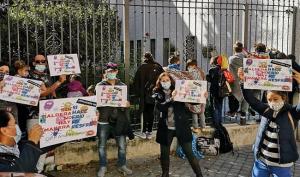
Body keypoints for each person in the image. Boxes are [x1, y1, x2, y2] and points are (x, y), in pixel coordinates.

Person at [238, 68, 300, 177]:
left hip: (282, 166)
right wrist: (243, 81)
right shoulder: (266, 110)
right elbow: (251, 100)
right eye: (269, 100)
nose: (272, 103)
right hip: (262, 162)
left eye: (275, 99)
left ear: (284, 98)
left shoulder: (292, 112)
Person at [153, 72, 203, 177]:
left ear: (171, 81)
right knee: (164, 154)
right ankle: (165, 174)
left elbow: (192, 100)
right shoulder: (157, 92)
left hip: (182, 126)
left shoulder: (179, 89)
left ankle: (199, 175)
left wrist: (202, 95)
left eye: (167, 80)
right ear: (160, 82)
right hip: (166, 128)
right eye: (163, 81)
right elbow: (161, 107)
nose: (165, 82)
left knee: (190, 153)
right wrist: (172, 98)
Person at [97, 62, 132, 177]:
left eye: (113, 71)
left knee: (122, 146)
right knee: (102, 146)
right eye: (108, 71)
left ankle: (122, 165)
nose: (110, 73)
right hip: (103, 120)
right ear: (105, 72)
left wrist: (127, 104)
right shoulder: (100, 86)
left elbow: (127, 102)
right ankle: (103, 166)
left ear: (117, 71)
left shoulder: (122, 86)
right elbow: (95, 103)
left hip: (119, 121)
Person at [133, 52, 164, 139]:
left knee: (144, 112)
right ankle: (150, 132)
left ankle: (144, 131)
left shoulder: (142, 67)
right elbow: (163, 76)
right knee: (151, 112)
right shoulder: (157, 66)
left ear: (144, 58)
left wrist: (137, 93)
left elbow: (135, 81)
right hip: (154, 93)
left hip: (144, 94)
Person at [229, 42, 249, 122]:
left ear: (234, 49)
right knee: (246, 97)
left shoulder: (231, 58)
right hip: (245, 80)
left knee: (234, 97)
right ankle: (243, 113)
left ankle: (233, 113)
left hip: (235, 81)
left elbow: (229, 70)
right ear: (242, 49)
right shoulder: (246, 59)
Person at [186, 59, 206, 132]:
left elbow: (188, 83)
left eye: (189, 66)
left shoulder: (190, 73)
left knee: (194, 111)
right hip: (202, 92)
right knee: (201, 111)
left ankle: (195, 127)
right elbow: (204, 81)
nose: (188, 67)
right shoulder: (202, 72)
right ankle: (203, 126)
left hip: (193, 93)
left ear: (194, 65)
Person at [206, 56, 225, 125]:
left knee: (214, 107)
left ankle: (215, 122)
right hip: (222, 91)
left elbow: (209, 79)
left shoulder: (212, 70)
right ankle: (219, 121)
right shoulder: (223, 70)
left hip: (214, 91)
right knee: (220, 106)